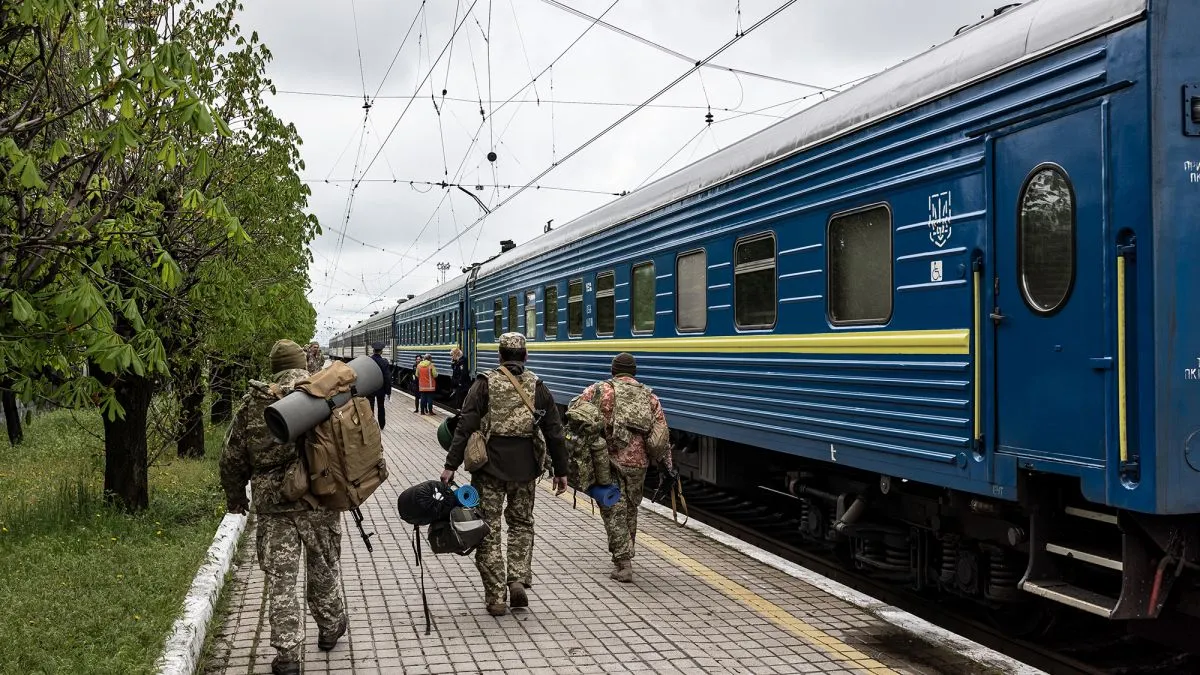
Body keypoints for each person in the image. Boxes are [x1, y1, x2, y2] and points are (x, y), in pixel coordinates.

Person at [219, 339, 347, 675]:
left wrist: (236, 498)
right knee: (324, 568)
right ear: (304, 363)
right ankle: (331, 628)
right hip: (320, 499)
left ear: (274, 367)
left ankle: (288, 656)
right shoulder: (323, 394)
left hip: (274, 505)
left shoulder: (253, 403)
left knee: (281, 581)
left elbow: (231, 459)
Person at [441, 333, 569, 616]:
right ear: (525, 356)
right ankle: (517, 579)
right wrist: (561, 471)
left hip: (489, 468)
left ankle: (496, 595)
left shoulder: (484, 384)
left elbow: (465, 426)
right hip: (525, 468)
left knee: (488, 527)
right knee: (522, 523)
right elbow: (555, 432)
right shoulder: (538, 386)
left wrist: (450, 466)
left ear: (499, 356)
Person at [577, 352, 672, 583]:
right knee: (630, 508)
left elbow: (577, 416)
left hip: (608, 461)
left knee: (612, 509)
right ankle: (627, 551)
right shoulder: (650, 397)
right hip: (638, 464)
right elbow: (661, 436)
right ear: (634, 372)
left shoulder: (598, 391)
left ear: (613, 370)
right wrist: (667, 467)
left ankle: (623, 561)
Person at [368, 342, 392, 430]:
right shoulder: (384, 362)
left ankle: (371, 425)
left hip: (370, 388)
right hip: (380, 388)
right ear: (381, 351)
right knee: (381, 406)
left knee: (370, 406)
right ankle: (382, 424)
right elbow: (387, 377)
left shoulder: (369, 361)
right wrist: (388, 391)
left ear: (373, 350)